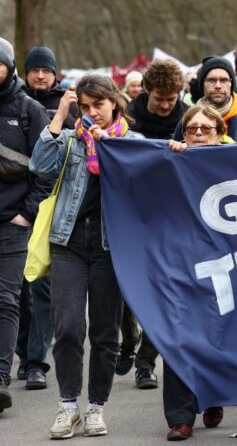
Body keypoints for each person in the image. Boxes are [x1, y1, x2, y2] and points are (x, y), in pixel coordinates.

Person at [30, 75, 142, 438]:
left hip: (111, 246)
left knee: (105, 332)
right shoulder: (69, 138)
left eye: (99, 105)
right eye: (86, 106)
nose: (93, 112)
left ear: (115, 102)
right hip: (69, 242)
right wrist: (60, 115)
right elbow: (39, 167)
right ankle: (68, 406)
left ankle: (96, 407)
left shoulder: (131, 143)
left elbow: (142, 185)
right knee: (67, 327)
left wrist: (109, 147)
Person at [162, 104, 237, 441]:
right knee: (178, 335)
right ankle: (180, 417)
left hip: (227, 262)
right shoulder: (171, 161)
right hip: (180, 262)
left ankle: (214, 394)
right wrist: (167, 155)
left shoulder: (236, 158)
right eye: (192, 129)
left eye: (206, 128)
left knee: (221, 331)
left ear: (221, 133)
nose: (199, 134)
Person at [118, 59, 188, 390]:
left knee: (161, 294)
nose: (165, 106)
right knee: (124, 290)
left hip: (172, 217)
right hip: (131, 214)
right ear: (146, 90)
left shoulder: (187, 118)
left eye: (171, 99)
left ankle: (145, 363)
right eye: (159, 99)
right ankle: (128, 337)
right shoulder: (127, 117)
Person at [16, 45, 71, 392]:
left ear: (55, 74)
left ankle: (36, 362)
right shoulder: (14, 103)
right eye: (35, 70)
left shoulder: (67, 107)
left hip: (49, 210)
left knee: (40, 287)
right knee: (17, 291)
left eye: (46, 70)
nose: (40, 75)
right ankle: (22, 353)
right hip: (13, 212)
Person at [0, 38, 49, 413]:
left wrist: (27, 214)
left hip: (13, 222)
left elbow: (46, 170)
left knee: (6, 299)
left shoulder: (29, 110)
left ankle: (0, 376)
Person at [173, 57, 237, 143]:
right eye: (212, 80)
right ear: (203, 84)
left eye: (224, 80)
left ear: (231, 84)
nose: (218, 86)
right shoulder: (187, 122)